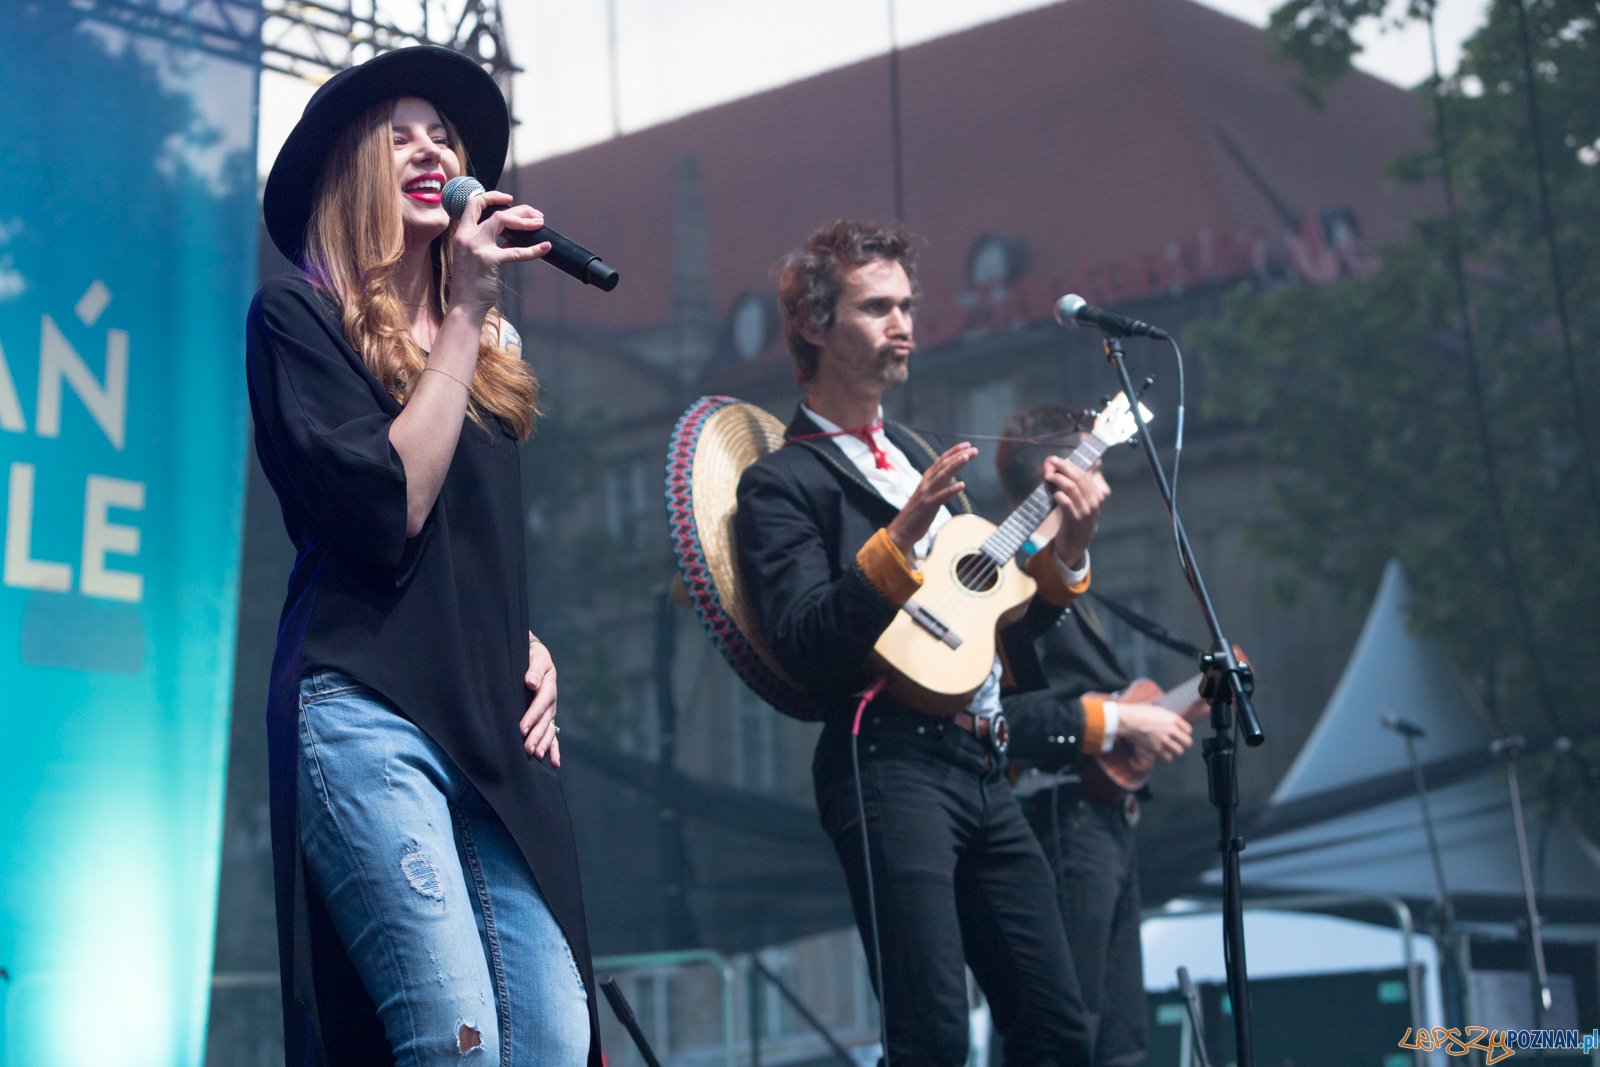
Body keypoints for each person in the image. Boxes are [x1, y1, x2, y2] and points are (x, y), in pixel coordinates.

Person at [247, 46, 599, 1067]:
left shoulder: (489, 356)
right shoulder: (298, 320)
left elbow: (471, 545)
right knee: (459, 1038)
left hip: (491, 720)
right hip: (367, 703)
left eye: (443, 137)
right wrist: (467, 314)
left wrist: (523, 636)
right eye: (398, 136)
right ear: (350, 172)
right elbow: (393, 503)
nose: (430, 151)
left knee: (553, 1038)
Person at [735, 219, 1104, 1067]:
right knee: (932, 1036)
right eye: (877, 307)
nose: (902, 323)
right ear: (813, 324)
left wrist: (1069, 557)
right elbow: (806, 642)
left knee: (1060, 1033)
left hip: (983, 762)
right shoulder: (781, 481)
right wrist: (901, 534)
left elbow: (989, 624)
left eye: (906, 305)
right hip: (886, 760)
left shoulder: (914, 454)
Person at [997, 405, 1195, 1067]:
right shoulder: (1003, 578)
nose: (1106, 484)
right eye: (1098, 466)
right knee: (1066, 1030)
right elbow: (1007, 720)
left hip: (1100, 823)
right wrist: (1127, 719)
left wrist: (1154, 715)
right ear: (1060, 473)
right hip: (1056, 821)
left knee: (1120, 1036)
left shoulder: (1069, 578)